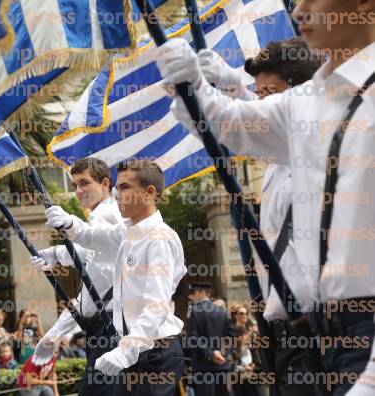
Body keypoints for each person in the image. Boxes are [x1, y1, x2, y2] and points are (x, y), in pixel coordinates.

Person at [158, 1, 375, 394]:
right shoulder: (308, 98)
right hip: (315, 328)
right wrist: (191, 85)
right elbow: (233, 123)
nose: (300, 11)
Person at [200, 37, 325, 396]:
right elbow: (260, 115)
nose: (262, 103)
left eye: (269, 93)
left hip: (320, 327)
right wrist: (233, 83)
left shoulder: (311, 138)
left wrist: (209, 89)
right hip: (288, 334)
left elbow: (256, 121)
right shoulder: (281, 158)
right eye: (260, 93)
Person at [45, 159, 187, 395]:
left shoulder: (159, 239)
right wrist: (69, 222)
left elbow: (157, 307)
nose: (117, 194)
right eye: (117, 188)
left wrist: (125, 351)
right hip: (134, 349)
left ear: (149, 192)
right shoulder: (127, 232)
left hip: (155, 351)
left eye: (125, 187)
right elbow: (91, 237)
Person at [30, 157, 123, 396]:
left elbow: (90, 244)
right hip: (104, 328)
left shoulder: (110, 214)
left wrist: (57, 252)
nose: (79, 191)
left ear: (104, 184)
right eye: (75, 186)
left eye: (84, 183)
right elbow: (89, 254)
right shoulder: (102, 216)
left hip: (112, 327)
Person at [187, 282, 235, 396]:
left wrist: (211, 354)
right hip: (223, 366)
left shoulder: (194, 311)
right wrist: (222, 353)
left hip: (204, 369)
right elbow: (232, 338)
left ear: (202, 292)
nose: (190, 296)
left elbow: (194, 338)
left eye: (193, 292)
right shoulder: (223, 311)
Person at [231, 326, 261, 396]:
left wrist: (253, 366)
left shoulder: (251, 349)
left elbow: (258, 364)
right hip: (239, 383)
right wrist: (244, 368)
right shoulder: (232, 351)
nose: (247, 337)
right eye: (245, 335)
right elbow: (232, 367)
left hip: (251, 380)